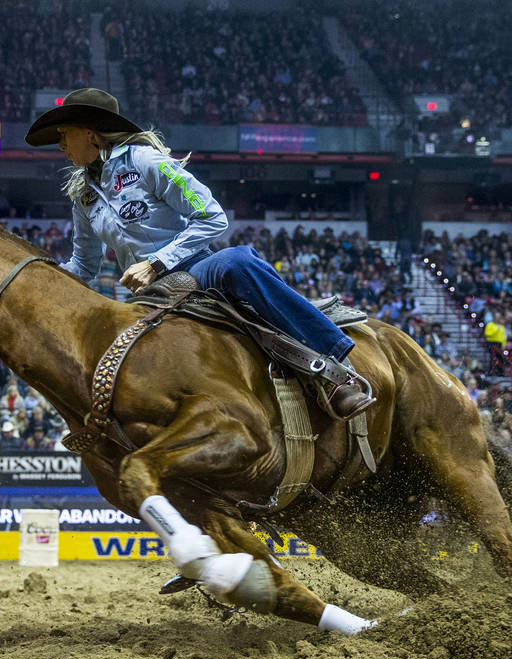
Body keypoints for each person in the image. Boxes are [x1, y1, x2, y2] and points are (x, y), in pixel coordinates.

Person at [25, 88, 374, 419]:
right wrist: (34, 283)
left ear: (90, 133)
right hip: (144, 295)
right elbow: (84, 266)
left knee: (238, 260)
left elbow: (213, 217)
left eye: (64, 134)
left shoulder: (146, 161)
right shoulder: (83, 196)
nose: (59, 145)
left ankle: (333, 366)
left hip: (196, 268)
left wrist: (156, 262)